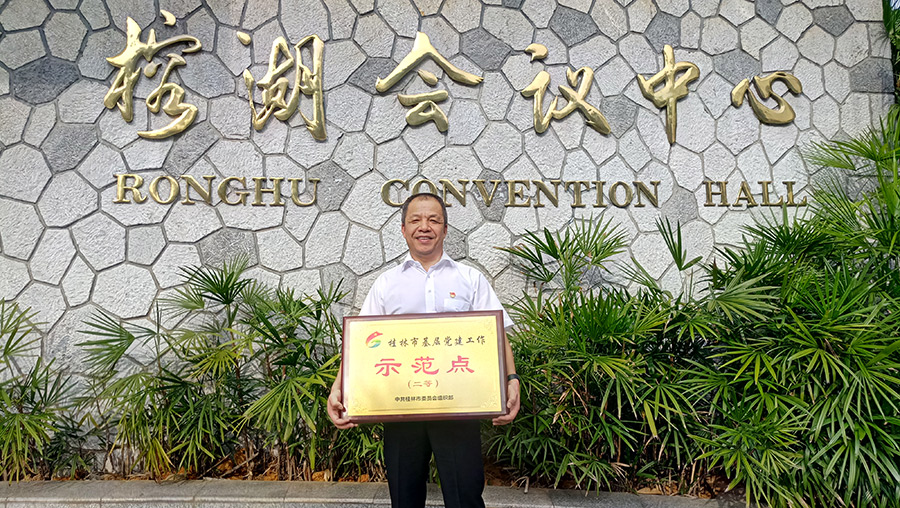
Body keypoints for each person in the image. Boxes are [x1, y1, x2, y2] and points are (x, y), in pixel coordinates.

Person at [327, 192, 520, 508]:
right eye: (415, 220)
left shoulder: (470, 279)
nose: (425, 226)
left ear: (445, 229)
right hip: (400, 407)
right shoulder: (386, 284)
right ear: (404, 229)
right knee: (404, 498)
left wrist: (511, 380)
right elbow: (362, 344)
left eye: (434, 220)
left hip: (459, 406)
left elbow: (497, 336)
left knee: (465, 497)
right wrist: (340, 388)